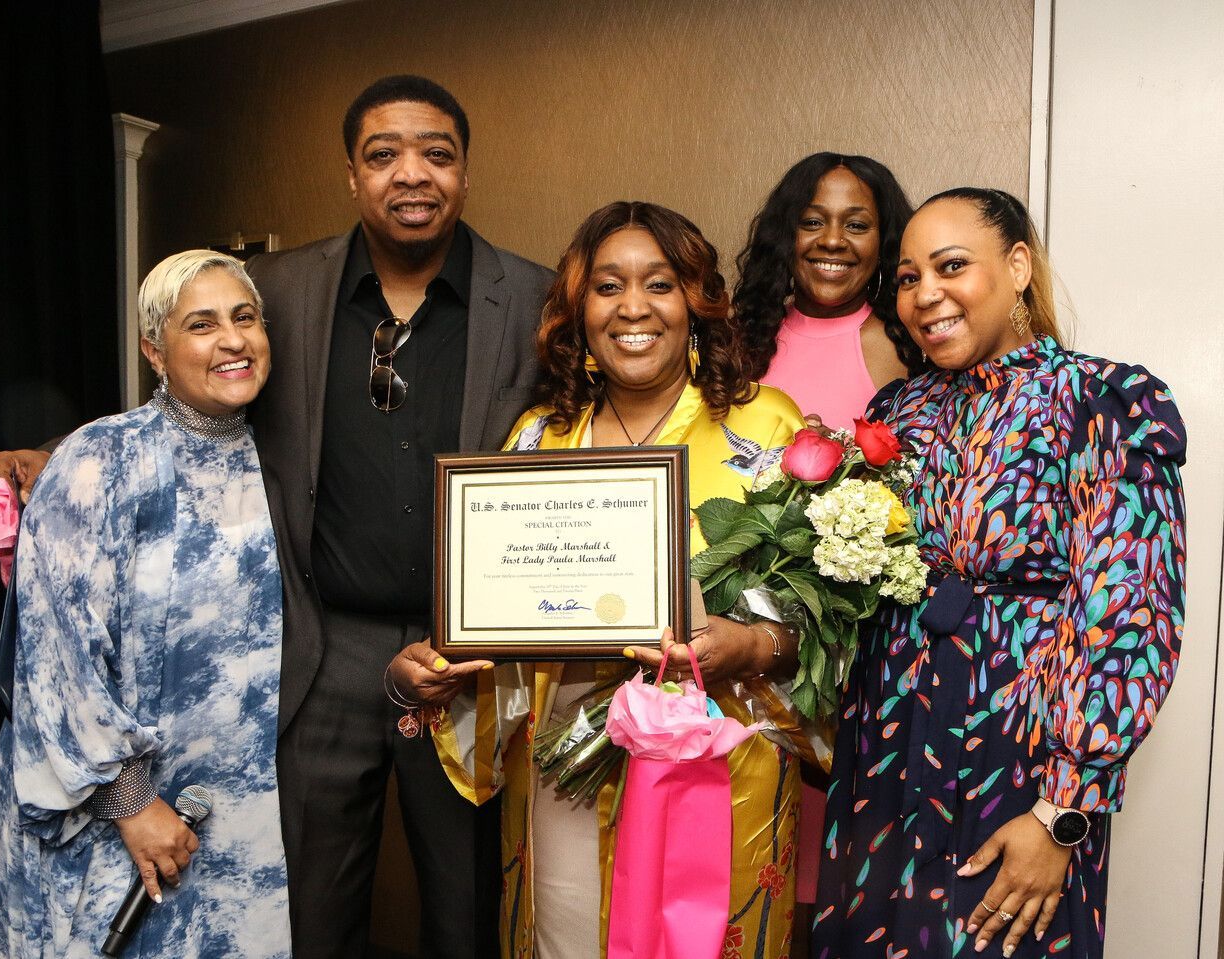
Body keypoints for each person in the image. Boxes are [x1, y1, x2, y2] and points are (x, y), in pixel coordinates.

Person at [0, 75, 553, 959]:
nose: (412, 173)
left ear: (466, 171)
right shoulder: (280, 287)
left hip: (464, 654)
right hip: (313, 650)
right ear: (351, 174)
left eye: (437, 153)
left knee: (471, 904)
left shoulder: (536, 297)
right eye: (383, 154)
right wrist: (55, 450)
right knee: (305, 911)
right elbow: (194, 382)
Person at [391, 201, 826, 959]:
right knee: (565, 934)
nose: (633, 307)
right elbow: (499, 604)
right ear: (578, 310)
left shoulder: (769, 430)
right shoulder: (536, 437)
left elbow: (831, 627)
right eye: (607, 286)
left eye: (660, 284)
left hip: (719, 768)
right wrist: (436, 670)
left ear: (697, 303)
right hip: (562, 762)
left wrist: (753, 646)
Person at [812, 188, 1186, 958]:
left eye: (952, 267)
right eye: (908, 278)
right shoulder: (901, 412)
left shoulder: (1101, 403)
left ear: (1017, 266)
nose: (926, 296)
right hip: (885, 755)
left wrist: (1063, 813)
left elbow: (1129, 615)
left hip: (1016, 764)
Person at [0, 250, 290, 958]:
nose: (233, 340)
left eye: (245, 317)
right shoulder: (99, 459)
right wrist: (131, 803)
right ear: (155, 348)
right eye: (201, 324)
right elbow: (56, 653)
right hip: (113, 815)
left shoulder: (279, 460)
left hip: (238, 818)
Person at [734, 153, 924, 430]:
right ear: (784, 236)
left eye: (856, 225)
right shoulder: (738, 341)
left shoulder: (908, 347)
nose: (833, 240)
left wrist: (841, 454)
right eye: (812, 222)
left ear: (884, 242)